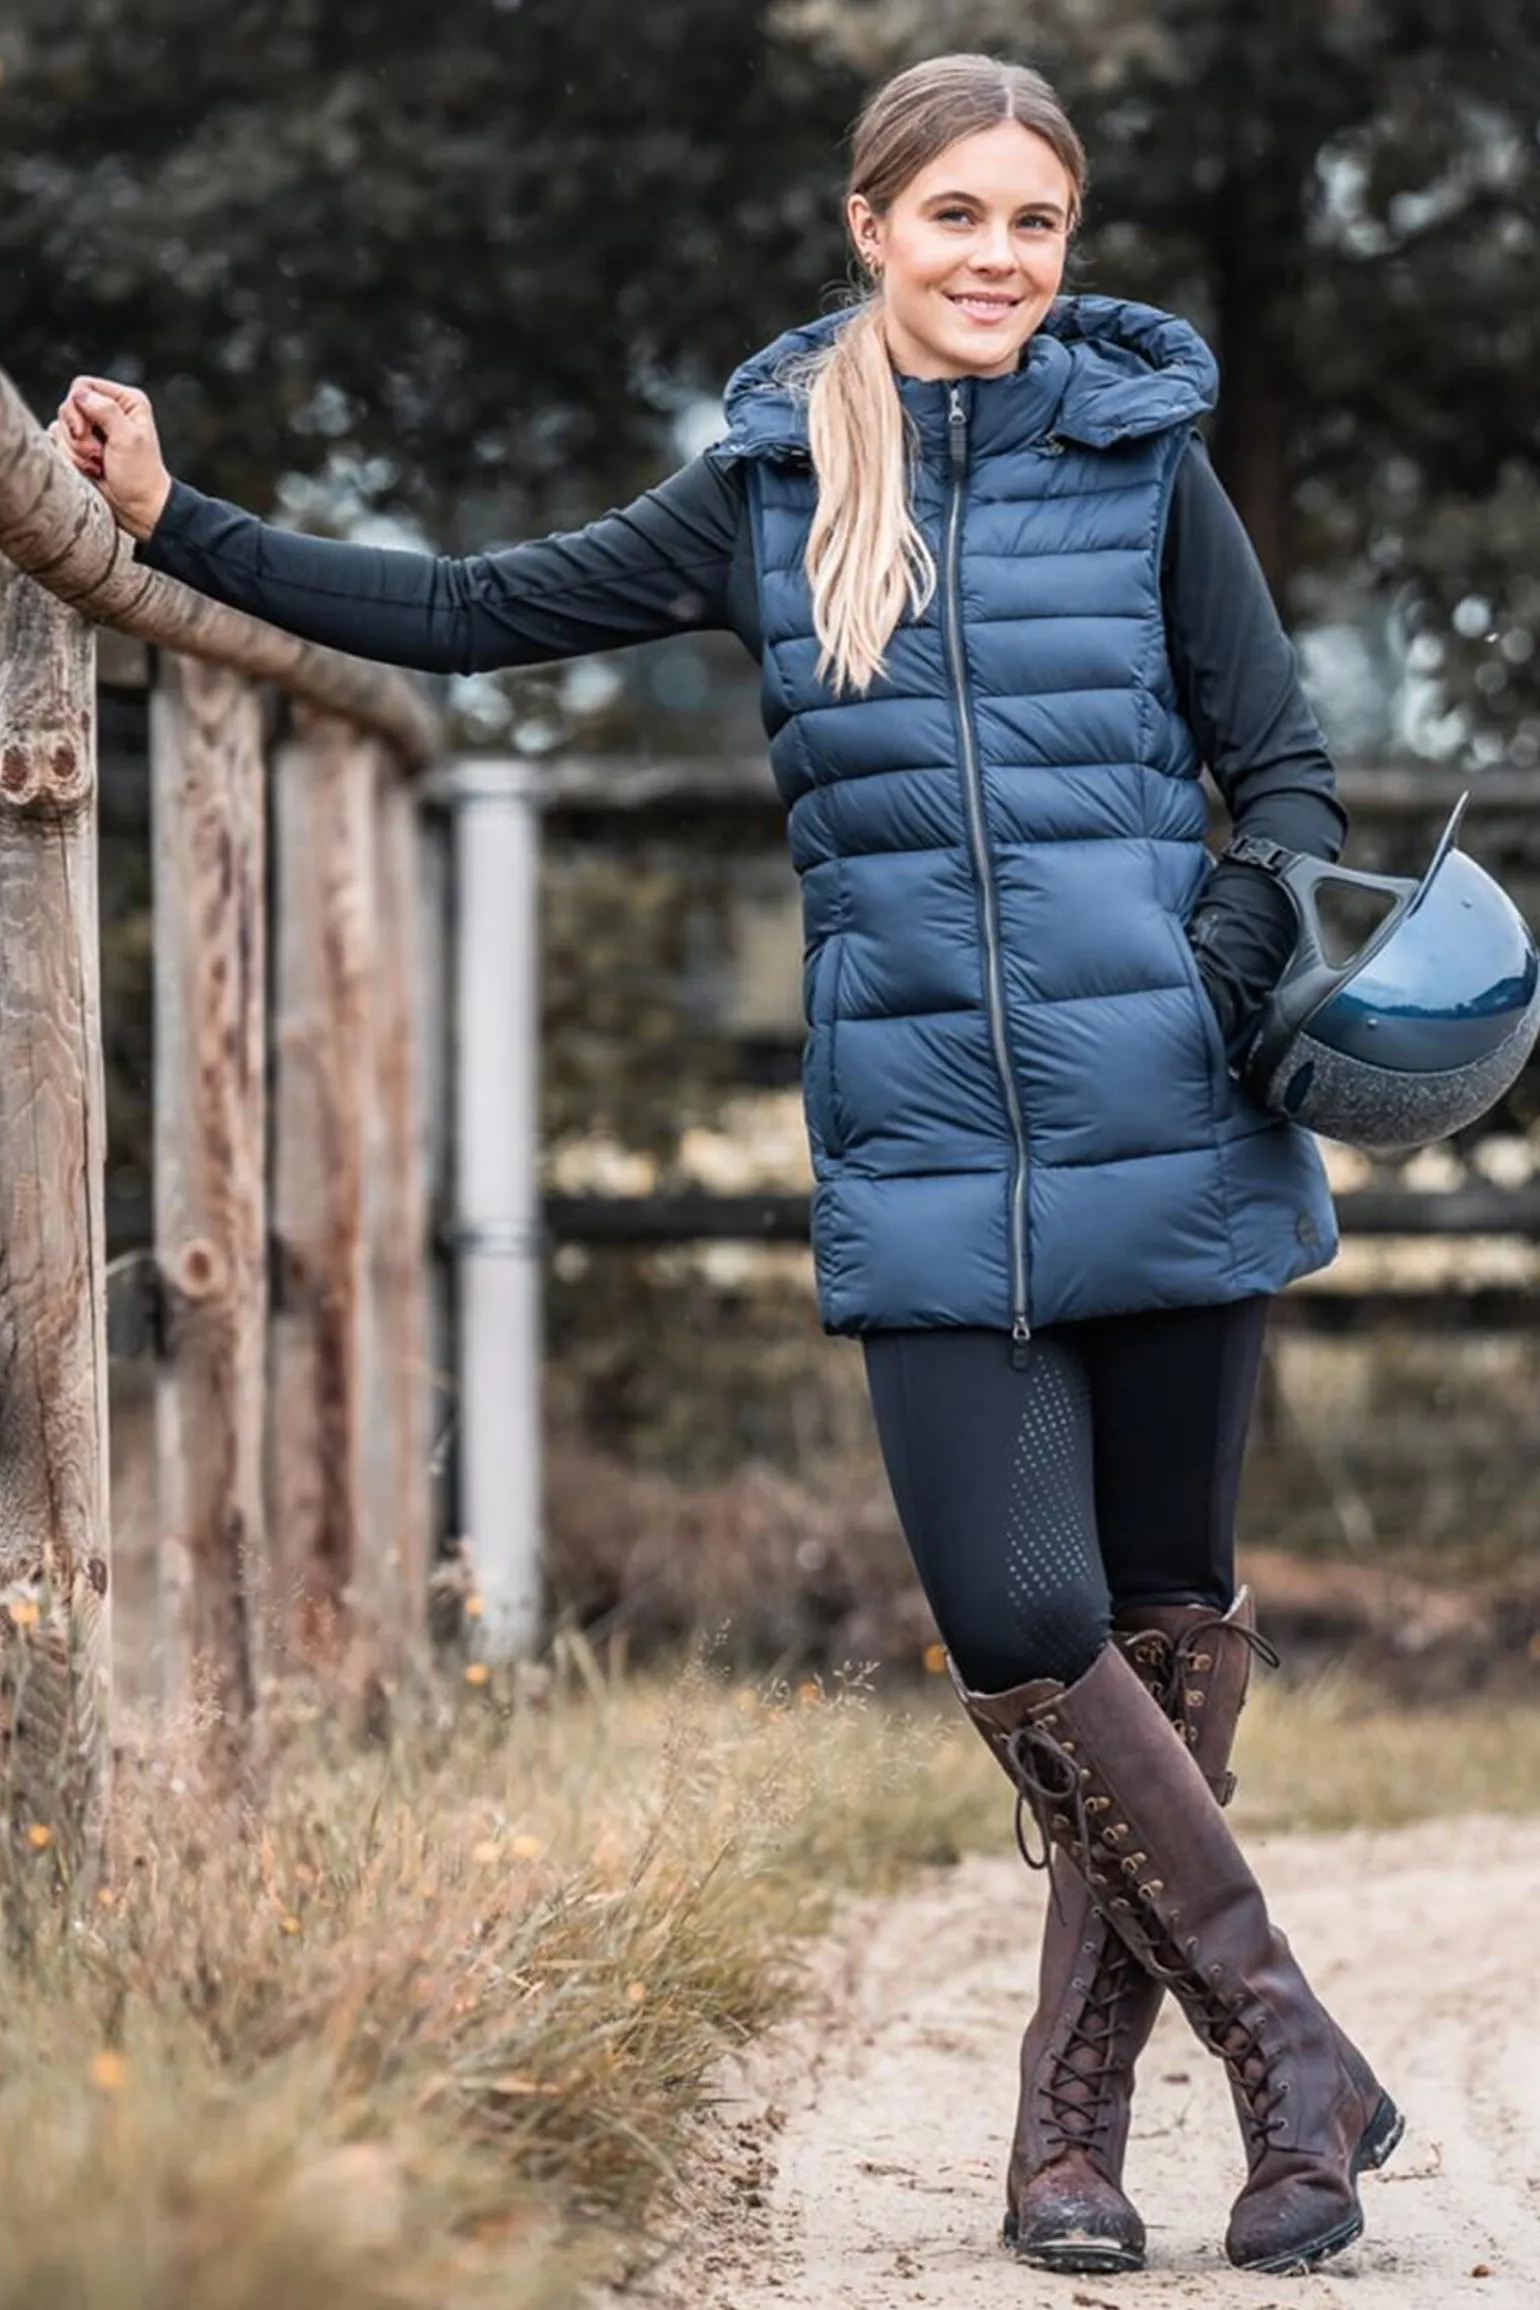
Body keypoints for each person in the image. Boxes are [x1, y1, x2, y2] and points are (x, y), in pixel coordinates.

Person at [54, 50, 1401, 2280]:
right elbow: (470, 610)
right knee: (1023, 1620)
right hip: (922, 1146)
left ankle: (1079, 2139)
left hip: (1174, 1127)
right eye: (955, 215)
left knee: (1165, 1637)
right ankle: (1296, 2048)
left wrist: (1225, 952)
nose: (998, 259)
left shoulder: (1144, 465)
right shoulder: (764, 496)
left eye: (1036, 223)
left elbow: (1285, 771)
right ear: (867, 224)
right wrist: (179, 522)